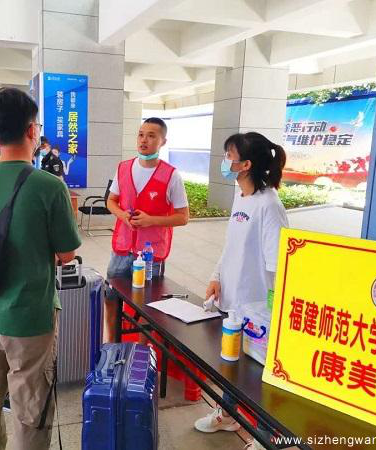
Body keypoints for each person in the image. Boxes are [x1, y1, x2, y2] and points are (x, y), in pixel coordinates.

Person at [0, 87, 81, 450]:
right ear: (32, 130)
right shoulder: (49, 186)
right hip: (29, 318)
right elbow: (66, 253)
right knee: (30, 409)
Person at [194, 132, 288, 450]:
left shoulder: (269, 205)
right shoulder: (242, 196)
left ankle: (265, 436)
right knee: (231, 363)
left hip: (259, 309)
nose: (225, 161)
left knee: (257, 374)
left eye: (229, 156)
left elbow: (278, 266)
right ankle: (228, 414)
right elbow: (231, 245)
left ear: (245, 164)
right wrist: (216, 276)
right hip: (233, 302)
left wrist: (272, 312)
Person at [104, 117, 190, 342]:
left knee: (148, 307)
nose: (144, 140)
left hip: (151, 254)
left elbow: (183, 217)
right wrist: (122, 215)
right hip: (122, 249)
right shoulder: (124, 168)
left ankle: (142, 351)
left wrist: (151, 220)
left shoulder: (171, 175)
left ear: (163, 141)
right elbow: (111, 201)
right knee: (111, 298)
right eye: (141, 134)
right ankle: (112, 345)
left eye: (151, 136)